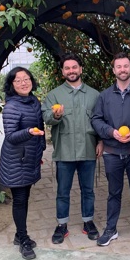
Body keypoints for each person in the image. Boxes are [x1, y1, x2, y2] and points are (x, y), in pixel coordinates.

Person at [41, 53, 103, 245]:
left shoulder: (94, 95)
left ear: (81, 69)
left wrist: (101, 141)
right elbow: (46, 117)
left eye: (74, 67)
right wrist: (56, 116)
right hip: (64, 151)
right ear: (62, 72)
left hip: (88, 150)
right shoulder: (54, 95)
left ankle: (88, 221)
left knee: (88, 190)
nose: (71, 71)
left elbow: (101, 120)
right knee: (62, 191)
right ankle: (62, 225)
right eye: (67, 68)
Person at [91, 52, 130, 247]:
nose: (123, 69)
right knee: (114, 192)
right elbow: (96, 119)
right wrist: (109, 132)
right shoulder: (104, 96)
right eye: (119, 66)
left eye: (126, 66)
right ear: (114, 70)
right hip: (112, 152)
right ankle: (111, 229)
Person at [0, 67, 46, 260]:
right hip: (15, 160)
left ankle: (19, 234)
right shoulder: (11, 107)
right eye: (18, 80)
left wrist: (40, 148)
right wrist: (29, 132)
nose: (23, 83)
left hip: (30, 158)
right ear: (11, 85)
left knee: (25, 197)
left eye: (26, 79)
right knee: (19, 199)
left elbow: (41, 126)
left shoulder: (34, 100)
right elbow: (10, 136)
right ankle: (23, 239)